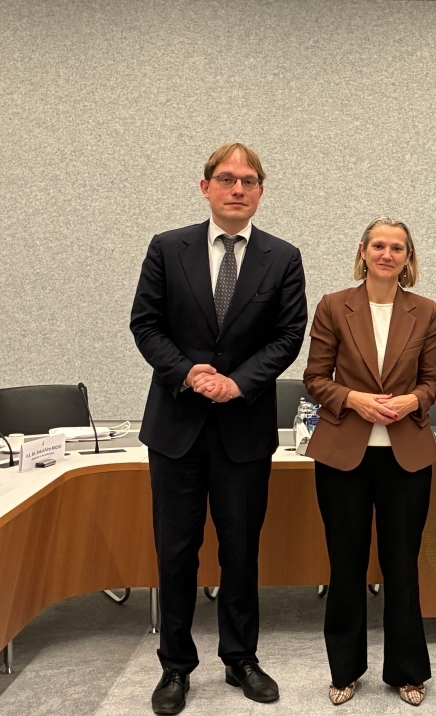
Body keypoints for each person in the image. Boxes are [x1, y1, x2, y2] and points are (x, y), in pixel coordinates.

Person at [130, 143, 307, 715]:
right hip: (176, 426)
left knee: (241, 549)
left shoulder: (283, 257)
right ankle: (176, 668)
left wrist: (238, 383)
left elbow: (288, 335)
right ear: (204, 186)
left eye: (249, 180)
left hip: (244, 428)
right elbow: (146, 323)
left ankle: (241, 659)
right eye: (226, 179)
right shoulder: (167, 247)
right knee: (176, 552)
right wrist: (187, 372)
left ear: (260, 191)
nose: (237, 188)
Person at [303, 217, 436, 707]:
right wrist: (355, 400)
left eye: (397, 247)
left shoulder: (425, 311)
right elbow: (315, 378)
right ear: (363, 251)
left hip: (406, 454)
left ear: (408, 257)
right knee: (346, 565)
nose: (387, 254)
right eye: (378, 245)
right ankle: (345, 669)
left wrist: (411, 402)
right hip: (344, 454)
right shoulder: (332, 306)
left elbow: (433, 381)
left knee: (402, 565)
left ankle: (407, 670)